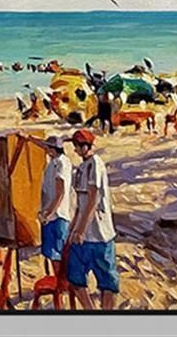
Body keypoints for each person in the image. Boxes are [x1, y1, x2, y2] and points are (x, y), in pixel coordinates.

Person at [66, 129, 118, 310]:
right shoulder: (81, 168)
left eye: (77, 146)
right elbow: (80, 203)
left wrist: (80, 230)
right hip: (83, 235)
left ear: (86, 146)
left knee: (107, 281)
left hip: (100, 233)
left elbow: (92, 200)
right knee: (75, 277)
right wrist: (74, 227)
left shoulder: (96, 164)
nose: (75, 150)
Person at [38, 136, 74, 274]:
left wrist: (49, 213)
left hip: (57, 216)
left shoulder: (61, 163)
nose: (46, 150)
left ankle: (62, 281)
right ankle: (59, 280)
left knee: (59, 254)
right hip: (52, 215)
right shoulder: (54, 162)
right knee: (53, 254)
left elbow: (60, 193)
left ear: (53, 150)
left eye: (48, 148)